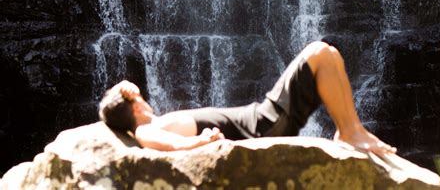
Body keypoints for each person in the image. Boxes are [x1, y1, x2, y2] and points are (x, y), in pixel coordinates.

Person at [99, 41, 396, 156]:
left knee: (327, 54)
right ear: (135, 106)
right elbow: (162, 143)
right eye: (136, 97)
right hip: (264, 123)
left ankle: (353, 130)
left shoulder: (156, 122)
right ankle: (349, 132)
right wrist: (199, 143)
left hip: (264, 119)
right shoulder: (146, 128)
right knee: (319, 53)